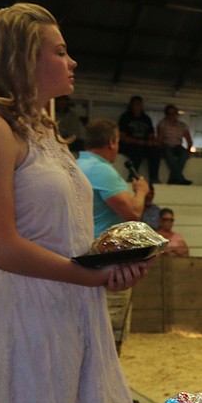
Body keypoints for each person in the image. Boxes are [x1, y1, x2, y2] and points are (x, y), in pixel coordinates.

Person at [0, 2, 147, 403]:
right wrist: (90, 274)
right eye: (60, 52)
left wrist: (113, 261)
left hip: (79, 303)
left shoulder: (44, 130)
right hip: (30, 308)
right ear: (23, 58)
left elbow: (64, 231)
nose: (71, 61)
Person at [78, 119, 150, 356]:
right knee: (110, 336)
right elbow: (133, 212)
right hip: (108, 260)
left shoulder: (76, 164)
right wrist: (140, 191)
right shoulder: (102, 170)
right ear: (111, 142)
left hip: (85, 257)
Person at [117, 95, 159, 183]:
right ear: (131, 105)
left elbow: (151, 134)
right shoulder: (125, 117)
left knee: (155, 151)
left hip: (143, 144)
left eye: (140, 104)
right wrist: (138, 141)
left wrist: (151, 141)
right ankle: (132, 176)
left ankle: (154, 177)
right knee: (137, 150)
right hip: (129, 144)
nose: (138, 106)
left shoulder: (146, 119)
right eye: (136, 104)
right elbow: (123, 136)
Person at [156, 104, 193, 185]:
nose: (172, 116)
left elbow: (188, 139)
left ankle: (173, 178)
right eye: (170, 113)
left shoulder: (182, 125)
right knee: (169, 155)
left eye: (174, 113)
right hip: (166, 144)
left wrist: (188, 149)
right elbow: (160, 137)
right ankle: (180, 178)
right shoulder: (163, 123)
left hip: (177, 145)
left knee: (183, 154)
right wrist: (159, 148)